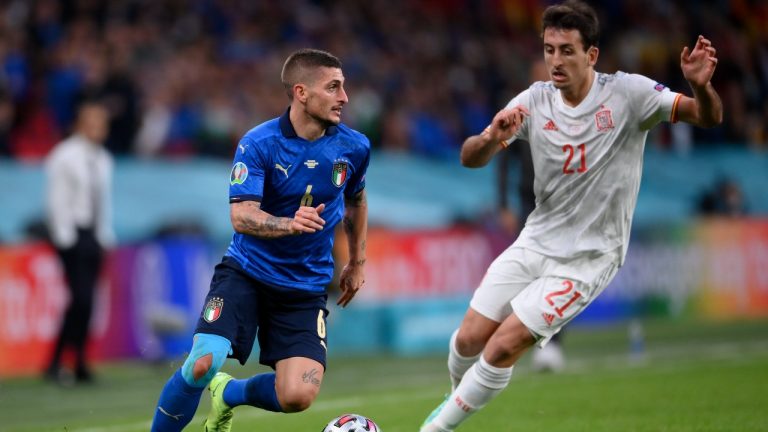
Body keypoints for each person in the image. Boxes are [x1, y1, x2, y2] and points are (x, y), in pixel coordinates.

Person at [420, 1, 722, 431]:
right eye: (549, 49)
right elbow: (470, 158)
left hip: (589, 256)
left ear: (591, 55)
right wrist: (492, 137)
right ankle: (453, 400)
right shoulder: (534, 99)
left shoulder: (629, 93)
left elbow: (707, 117)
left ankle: (436, 428)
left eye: (566, 50)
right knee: (469, 338)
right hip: (536, 240)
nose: (555, 61)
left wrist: (701, 88)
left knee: (504, 344)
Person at [150, 48, 370, 432]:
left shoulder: (354, 147)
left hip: (304, 286)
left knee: (297, 396)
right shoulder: (259, 143)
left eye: (344, 87)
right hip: (247, 273)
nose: (344, 98)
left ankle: (228, 395)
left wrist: (357, 261)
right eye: (333, 87)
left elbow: (355, 199)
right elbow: (241, 216)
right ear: (301, 92)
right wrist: (289, 223)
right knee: (203, 364)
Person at [43, 100, 115, 384]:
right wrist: (64, 237)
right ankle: (69, 360)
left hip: (93, 234)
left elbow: (104, 201)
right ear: (81, 125)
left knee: (84, 302)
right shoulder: (64, 156)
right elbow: (56, 200)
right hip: (72, 234)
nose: (98, 130)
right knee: (81, 298)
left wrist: (104, 234)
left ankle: (71, 360)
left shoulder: (103, 159)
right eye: (93, 123)